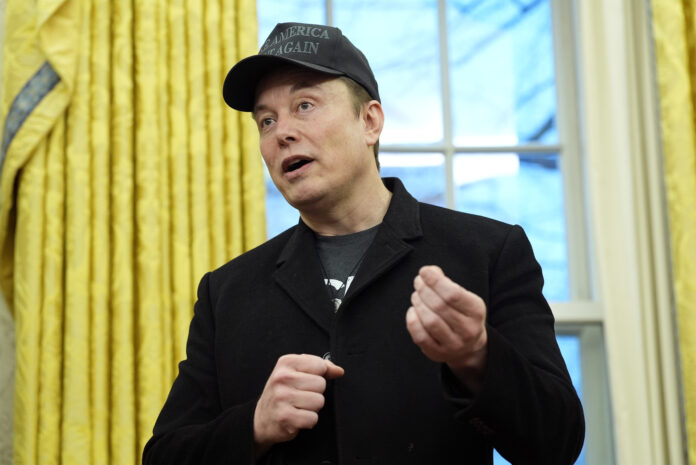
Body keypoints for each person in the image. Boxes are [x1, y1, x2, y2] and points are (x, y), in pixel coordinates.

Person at [142, 22, 585, 465]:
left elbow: (556, 444)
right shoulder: (227, 293)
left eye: (305, 105)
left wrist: (476, 357)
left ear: (369, 121)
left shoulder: (488, 252)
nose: (282, 133)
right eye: (266, 120)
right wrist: (254, 426)